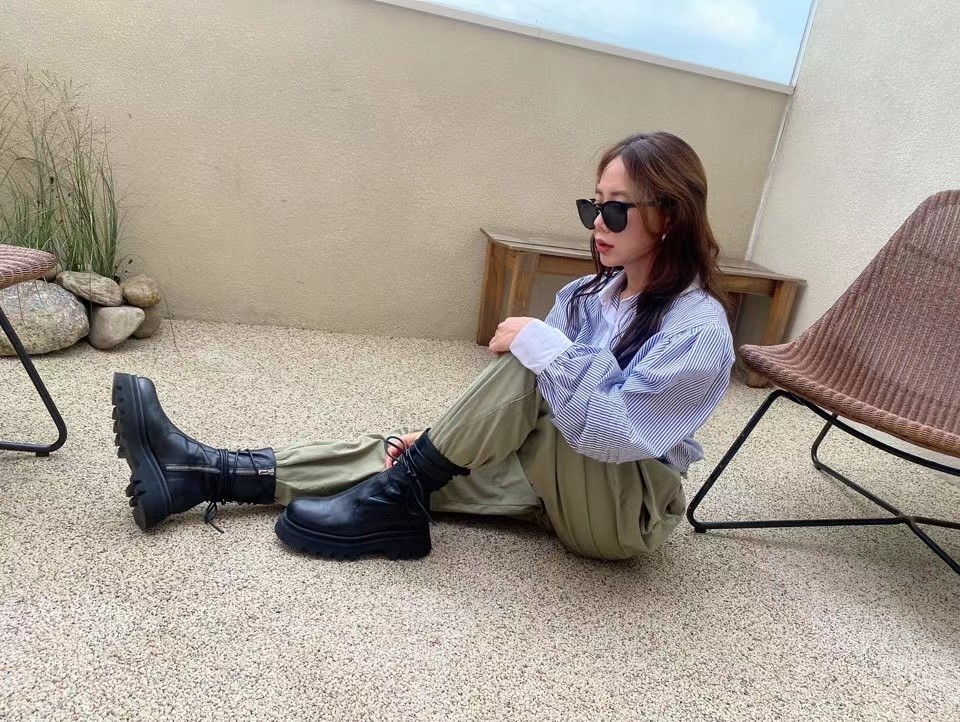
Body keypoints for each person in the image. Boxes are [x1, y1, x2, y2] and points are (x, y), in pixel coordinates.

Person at [112, 132, 735, 561]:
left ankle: (401, 489)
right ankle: (201, 473)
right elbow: (532, 410)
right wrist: (442, 441)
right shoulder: (584, 295)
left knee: (533, 358)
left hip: (625, 512)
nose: (597, 224)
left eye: (616, 211)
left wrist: (543, 349)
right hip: (552, 481)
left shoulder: (699, 331)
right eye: (591, 207)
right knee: (399, 460)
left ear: (671, 216)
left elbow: (613, 436)